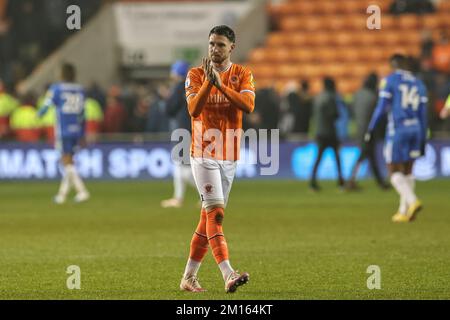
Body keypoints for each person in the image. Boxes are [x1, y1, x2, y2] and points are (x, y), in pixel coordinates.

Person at [179, 25, 254, 293]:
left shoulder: (242, 74)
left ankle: (188, 277)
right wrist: (210, 83)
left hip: (230, 154)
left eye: (221, 45)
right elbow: (193, 109)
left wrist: (221, 85)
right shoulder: (196, 74)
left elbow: (247, 106)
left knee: (207, 219)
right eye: (212, 44)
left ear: (231, 47)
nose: (215, 49)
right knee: (216, 214)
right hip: (203, 152)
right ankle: (228, 273)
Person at [365, 54, 427, 222]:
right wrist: (423, 134)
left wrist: (371, 128)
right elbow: (423, 112)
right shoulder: (418, 82)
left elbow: (381, 107)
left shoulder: (390, 80)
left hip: (398, 128)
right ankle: (404, 211)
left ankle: (413, 201)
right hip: (416, 127)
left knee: (393, 170)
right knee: (408, 170)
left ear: (392, 65)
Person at [38, 63, 90, 204]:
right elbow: (83, 113)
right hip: (77, 129)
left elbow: (47, 105)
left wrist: (39, 114)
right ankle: (62, 195)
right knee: (70, 161)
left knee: (66, 162)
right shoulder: (80, 90)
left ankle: (82, 191)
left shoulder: (57, 88)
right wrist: (83, 133)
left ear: (62, 74)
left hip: (63, 129)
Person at [161, 60, 196, 208]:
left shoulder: (179, 88)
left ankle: (209, 195)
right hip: (192, 128)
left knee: (185, 169)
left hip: (184, 130)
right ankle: (178, 198)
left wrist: (167, 97)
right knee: (179, 165)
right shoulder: (193, 87)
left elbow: (170, 109)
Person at [347, 73, 390, 190]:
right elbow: (379, 115)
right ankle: (350, 181)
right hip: (369, 130)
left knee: (370, 156)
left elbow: (351, 111)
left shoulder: (357, 95)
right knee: (364, 155)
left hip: (359, 129)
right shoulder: (373, 97)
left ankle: (380, 183)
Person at [310, 77, 344, 191]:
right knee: (337, 158)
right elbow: (335, 114)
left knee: (318, 158)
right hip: (329, 132)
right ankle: (341, 182)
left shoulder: (318, 97)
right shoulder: (331, 97)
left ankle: (312, 182)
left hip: (319, 131)